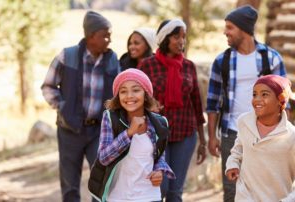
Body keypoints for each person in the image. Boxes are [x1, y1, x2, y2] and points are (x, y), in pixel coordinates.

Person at [206, 5, 287, 202]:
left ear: (243, 29)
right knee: (232, 189)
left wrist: (283, 133)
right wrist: (212, 137)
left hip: (265, 133)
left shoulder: (271, 58)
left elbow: (284, 99)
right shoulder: (221, 61)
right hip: (231, 132)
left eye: (230, 27)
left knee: (266, 186)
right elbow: (213, 102)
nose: (225, 32)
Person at [41, 11, 119, 202]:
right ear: (91, 36)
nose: (109, 39)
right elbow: (48, 86)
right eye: (105, 35)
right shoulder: (67, 56)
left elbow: (119, 92)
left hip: (99, 131)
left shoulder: (111, 59)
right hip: (69, 129)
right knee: (70, 185)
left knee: (102, 181)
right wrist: (63, 107)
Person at [139, 19, 207, 201]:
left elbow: (197, 105)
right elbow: (139, 101)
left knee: (175, 192)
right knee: (159, 189)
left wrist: (202, 140)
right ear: (164, 38)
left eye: (183, 37)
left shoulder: (189, 66)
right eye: (176, 37)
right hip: (155, 136)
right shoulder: (147, 65)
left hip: (185, 134)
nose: (181, 41)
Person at [96, 68, 175, 202]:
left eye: (136, 90)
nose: (129, 96)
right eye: (123, 91)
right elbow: (103, 158)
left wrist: (159, 170)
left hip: (150, 196)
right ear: (118, 96)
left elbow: (159, 156)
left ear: (146, 94)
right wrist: (129, 133)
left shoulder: (160, 122)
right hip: (118, 197)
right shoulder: (110, 118)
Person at [225, 75, 295, 202]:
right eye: (254, 94)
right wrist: (232, 164)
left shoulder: (292, 136)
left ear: (280, 100)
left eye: (264, 94)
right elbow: (238, 150)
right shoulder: (244, 122)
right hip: (245, 197)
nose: (257, 99)